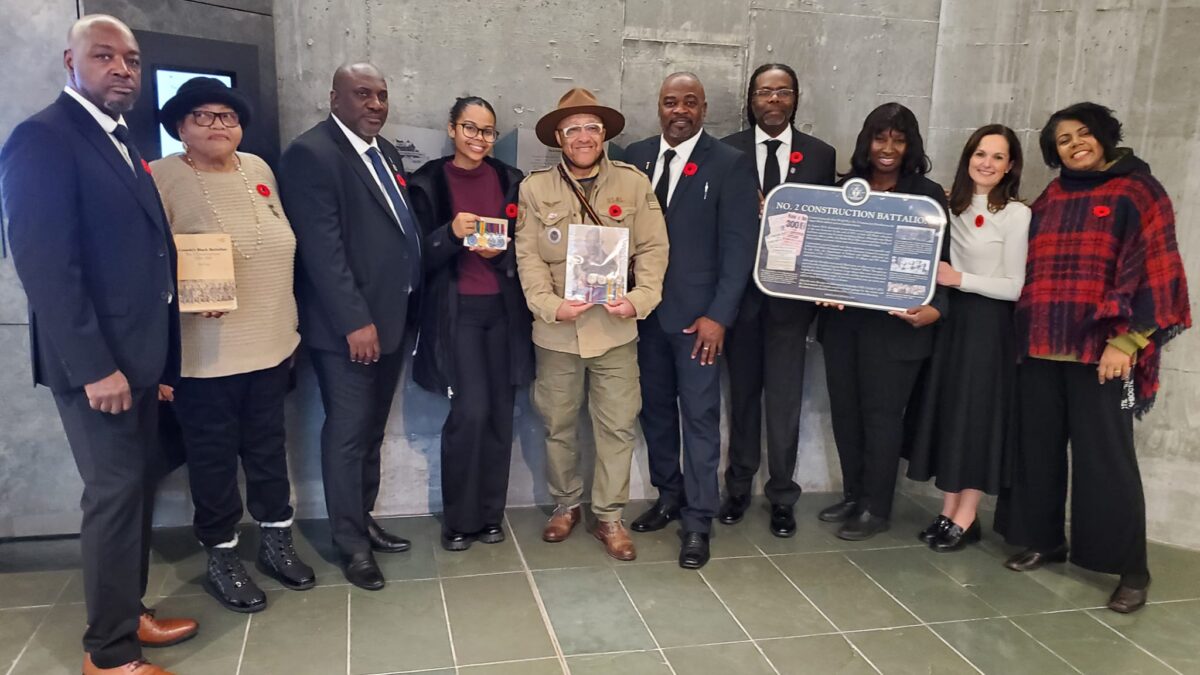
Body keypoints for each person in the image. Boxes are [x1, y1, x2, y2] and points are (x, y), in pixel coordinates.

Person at [0, 15, 197, 674]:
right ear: (70, 61)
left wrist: (161, 362)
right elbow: (46, 266)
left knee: (134, 490)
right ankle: (108, 655)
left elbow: (148, 257)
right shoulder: (44, 139)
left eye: (132, 60)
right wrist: (97, 366)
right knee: (114, 497)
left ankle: (126, 610)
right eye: (105, 56)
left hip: (137, 360)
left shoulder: (119, 140)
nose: (123, 70)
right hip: (98, 368)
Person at [998, 102, 1190, 613]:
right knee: (1036, 452)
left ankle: (1131, 569)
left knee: (1107, 462)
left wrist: (1126, 342)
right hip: (1040, 347)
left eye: (1084, 134)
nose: (1075, 144)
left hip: (1102, 353)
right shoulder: (1053, 194)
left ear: (1104, 136)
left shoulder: (1138, 191)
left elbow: (1159, 270)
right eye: (1063, 140)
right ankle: (1044, 539)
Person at [152, 77, 315, 612]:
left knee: (269, 452)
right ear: (180, 126)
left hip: (271, 345)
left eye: (227, 116)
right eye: (203, 116)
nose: (218, 126)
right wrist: (183, 289)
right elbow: (145, 262)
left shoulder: (260, 170)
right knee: (214, 462)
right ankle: (222, 557)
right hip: (204, 356)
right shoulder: (162, 178)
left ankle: (275, 544)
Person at [278, 63, 422, 591]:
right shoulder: (312, 154)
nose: (376, 105)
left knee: (369, 433)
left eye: (382, 95)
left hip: (392, 321)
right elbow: (322, 250)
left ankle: (363, 520)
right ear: (334, 96)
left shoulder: (383, 152)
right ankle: (351, 546)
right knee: (346, 435)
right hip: (351, 332)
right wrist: (355, 321)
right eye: (363, 94)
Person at [514, 87, 669, 562]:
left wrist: (641, 300)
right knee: (559, 424)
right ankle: (565, 505)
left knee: (617, 427)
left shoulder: (632, 183)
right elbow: (528, 256)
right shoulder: (534, 188)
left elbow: (653, 248)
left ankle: (609, 517)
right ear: (559, 137)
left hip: (615, 331)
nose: (583, 136)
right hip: (558, 332)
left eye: (592, 128)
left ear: (604, 135)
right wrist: (548, 305)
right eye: (573, 128)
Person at [624, 73, 759, 568]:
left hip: (697, 322)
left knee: (699, 418)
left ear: (703, 109)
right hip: (640, 318)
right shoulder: (634, 156)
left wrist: (718, 317)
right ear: (658, 107)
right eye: (669, 102)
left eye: (689, 102)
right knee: (653, 412)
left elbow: (739, 248)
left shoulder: (730, 164)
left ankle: (698, 520)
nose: (679, 110)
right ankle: (669, 496)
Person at [817, 102, 949, 541]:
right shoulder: (845, 189)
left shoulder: (927, 196)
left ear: (910, 145)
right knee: (846, 413)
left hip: (895, 329)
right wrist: (821, 284)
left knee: (882, 418)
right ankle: (855, 494)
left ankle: (878, 507)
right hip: (843, 326)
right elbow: (827, 252)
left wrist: (936, 307)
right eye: (879, 138)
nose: (887, 148)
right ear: (866, 141)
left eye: (897, 139)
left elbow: (942, 263)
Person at [408, 96, 534, 551]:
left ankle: (490, 515)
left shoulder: (510, 180)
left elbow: (530, 249)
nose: (479, 139)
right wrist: (450, 235)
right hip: (455, 314)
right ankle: (458, 519)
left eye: (487, 131)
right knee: (470, 412)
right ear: (451, 128)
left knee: (501, 414)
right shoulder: (427, 183)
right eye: (470, 128)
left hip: (503, 312)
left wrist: (502, 253)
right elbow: (414, 256)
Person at [718, 63, 837, 537]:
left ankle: (783, 494)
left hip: (791, 303)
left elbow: (828, 228)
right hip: (741, 298)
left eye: (781, 92)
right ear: (751, 100)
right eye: (763, 92)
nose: (772, 100)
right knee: (742, 399)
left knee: (785, 404)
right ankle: (738, 489)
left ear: (795, 98)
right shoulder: (726, 151)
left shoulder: (821, 155)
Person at [904, 125, 1030, 552]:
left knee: (976, 418)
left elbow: (1015, 286)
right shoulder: (948, 205)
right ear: (968, 157)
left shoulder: (1016, 214)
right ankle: (948, 509)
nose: (987, 163)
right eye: (980, 153)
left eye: (998, 157)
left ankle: (967, 513)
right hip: (950, 321)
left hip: (989, 327)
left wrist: (962, 278)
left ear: (1010, 165)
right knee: (951, 415)